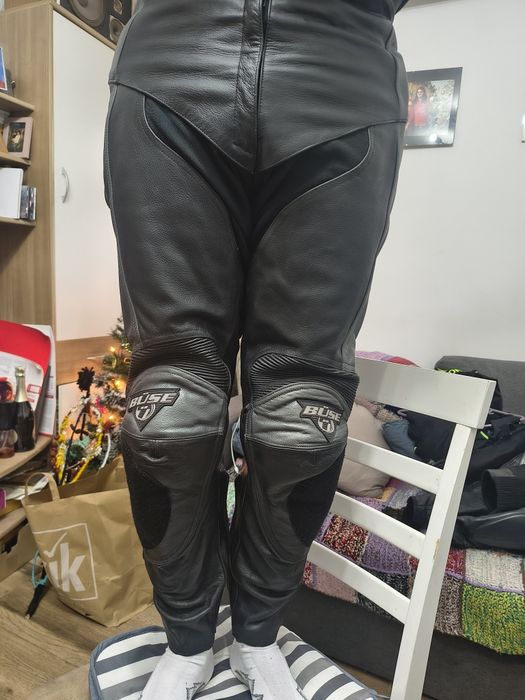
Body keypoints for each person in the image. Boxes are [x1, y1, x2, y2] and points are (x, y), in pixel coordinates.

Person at [103, 1, 410, 698]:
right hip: (169, 70)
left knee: (303, 419)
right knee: (169, 415)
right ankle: (188, 641)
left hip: (345, 77)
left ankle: (256, 636)